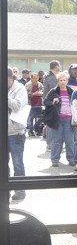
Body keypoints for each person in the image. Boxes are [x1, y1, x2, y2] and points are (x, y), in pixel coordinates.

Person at [43, 71, 75, 167]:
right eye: (60, 80)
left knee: (69, 141)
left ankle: (71, 159)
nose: (62, 82)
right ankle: (55, 160)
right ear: (58, 81)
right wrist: (52, 102)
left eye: (64, 80)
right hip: (57, 119)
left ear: (67, 81)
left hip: (69, 120)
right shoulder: (53, 91)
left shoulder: (71, 91)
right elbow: (45, 101)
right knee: (57, 141)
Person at [7, 67, 28, 201]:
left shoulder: (20, 89)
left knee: (17, 163)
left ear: (10, 78)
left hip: (16, 133)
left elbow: (17, 106)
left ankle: (20, 191)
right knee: (3, 164)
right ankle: (5, 190)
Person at [25, 71, 44, 136]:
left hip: (39, 104)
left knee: (39, 118)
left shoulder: (40, 84)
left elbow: (43, 92)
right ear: (31, 78)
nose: (36, 79)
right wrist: (34, 94)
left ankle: (38, 131)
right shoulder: (28, 85)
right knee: (31, 118)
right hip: (31, 104)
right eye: (34, 78)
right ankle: (30, 131)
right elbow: (26, 95)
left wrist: (41, 94)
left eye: (37, 78)